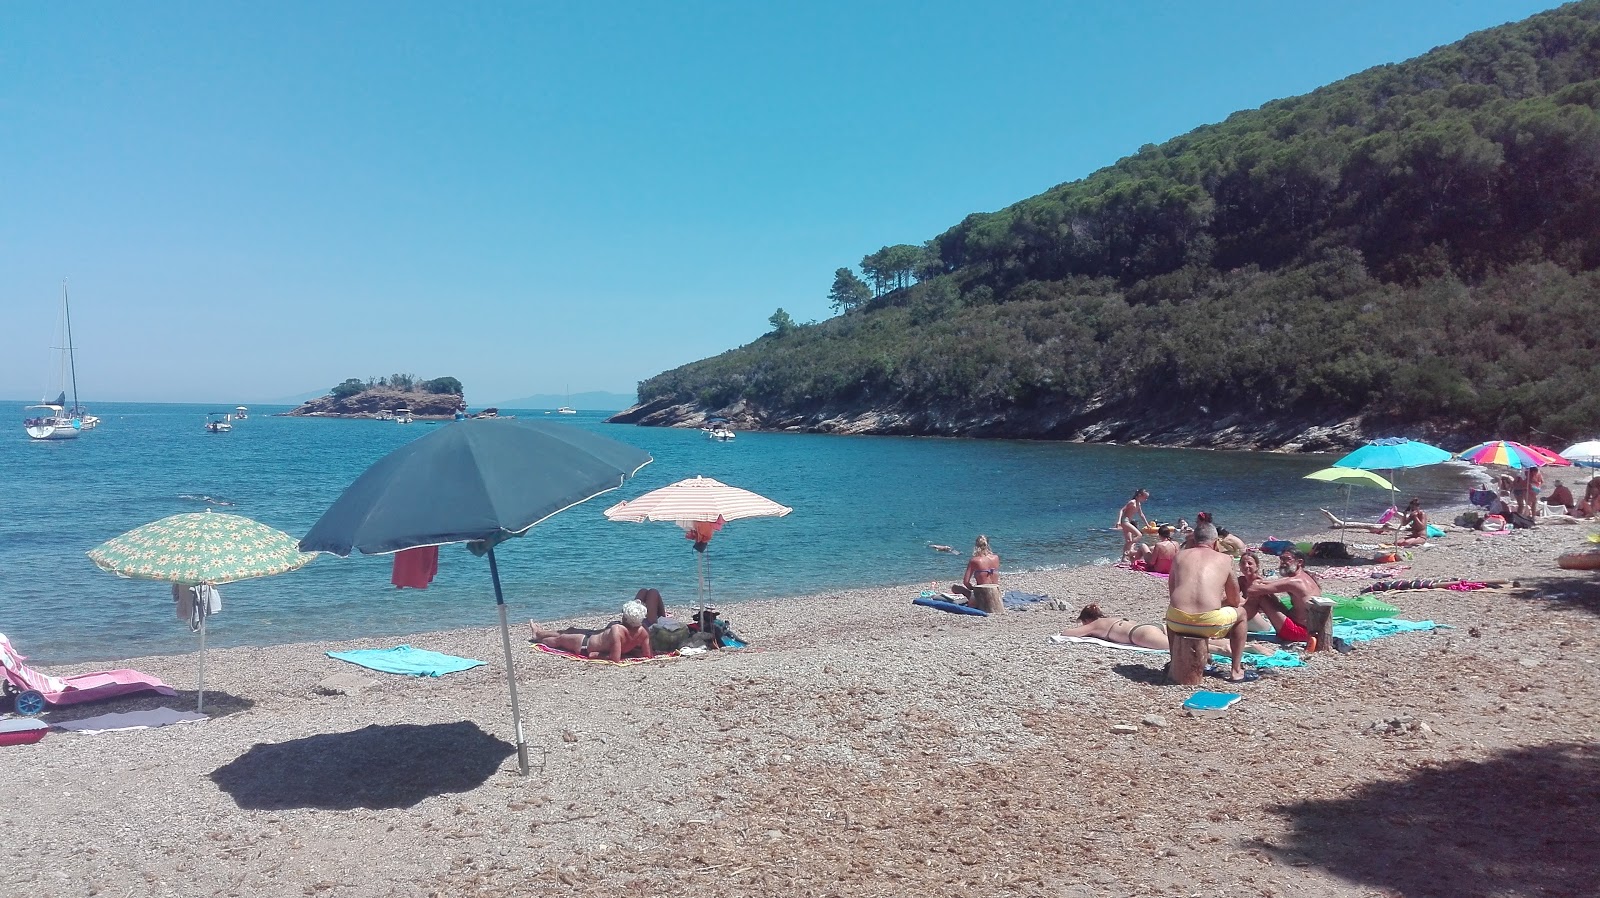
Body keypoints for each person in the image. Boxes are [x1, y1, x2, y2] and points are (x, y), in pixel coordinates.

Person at [1165, 520, 1250, 682]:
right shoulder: (1225, 559)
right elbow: (1235, 600)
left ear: (1194, 540)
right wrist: (1220, 602)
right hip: (1207, 624)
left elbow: (1172, 593)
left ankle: (1174, 662)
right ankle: (1236, 669)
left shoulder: (1179, 556)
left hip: (1176, 622)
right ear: (1216, 541)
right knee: (1242, 614)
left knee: (1172, 611)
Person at [1056, 604, 1270, 656]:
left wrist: (1087, 630)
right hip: (1149, 626)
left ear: (1087, 619)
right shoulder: (1111, 618)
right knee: (1192, 640)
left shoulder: (1093, 625)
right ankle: (1243, 646)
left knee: (1184, 648)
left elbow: (1068, 634)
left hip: (1139, 635)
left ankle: (1243, 650)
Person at [528, 600, 654, 661]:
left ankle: (538, 637)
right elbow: (648, 655)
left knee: (559, 640)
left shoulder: (617, 630)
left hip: (585, 644)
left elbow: (615, 658)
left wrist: (598, 655)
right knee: (569, 630)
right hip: (591, 637)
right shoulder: (643, 631)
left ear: (625, 616)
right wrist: (631, 653)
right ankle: (538, 632)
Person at [1242, 548, 1321, 645]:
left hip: (1299, 632)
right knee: (1267, 593)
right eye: (1281, 559)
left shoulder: (1295, 582)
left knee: (1261, 596)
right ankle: (1242, 621)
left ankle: (1239, 623)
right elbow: (1274, 584)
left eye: (1287, 559)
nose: (1283, 563)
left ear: (1299, 562)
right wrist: (1258, 581)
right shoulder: (1303, 577)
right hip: (1310, 629)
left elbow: (1252, 590)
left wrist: (1252, 581)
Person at [952, 535, 1002, 613]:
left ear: (976, 546)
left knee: (955, 588)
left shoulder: (974, 560)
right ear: (987, 544)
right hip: (996, 593)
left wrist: (972, 589)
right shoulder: (996, 558)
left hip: (982, 596)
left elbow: (966, 582)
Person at [1116, 489, 1150, 561]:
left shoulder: (1138, 504)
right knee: (1139, 535)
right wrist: (1118, 521)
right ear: (1139, 495)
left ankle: (1124, 557)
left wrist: (1147, 524)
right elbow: (1122, 510)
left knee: (1128, 540)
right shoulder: (1132, 502)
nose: (1146, 499)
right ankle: (1128, 552)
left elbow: (1141, 514)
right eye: (1145, 497)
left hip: (1128, 521)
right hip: (1124, 521)